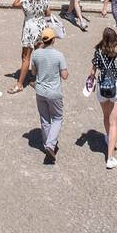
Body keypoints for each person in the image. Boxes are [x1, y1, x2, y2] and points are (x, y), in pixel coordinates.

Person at [86, 27, 117, 168]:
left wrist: (90, 82)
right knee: (114, 122)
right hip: (116, 87)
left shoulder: (98, 52)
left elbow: (93, 71)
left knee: (106, 117)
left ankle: (108, 137)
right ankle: (110, 157)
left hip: (102, 87)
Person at [31, 27, 68, 164]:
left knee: (45, 119)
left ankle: (47, 144)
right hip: (54, 92)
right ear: (53, 40)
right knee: (57, 118)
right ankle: (50, 145)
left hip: (40, 91)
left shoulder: (36, 54)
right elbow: (64, 76)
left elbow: (34, 73)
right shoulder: (59, 55)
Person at [9, 0, 50, 93]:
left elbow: (14, 4)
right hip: (42, 28)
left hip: (30, 29)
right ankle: (37, 79)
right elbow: (48, 13)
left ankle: (20, 84)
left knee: (26, 57)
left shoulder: (26, 1)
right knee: (38, 55)